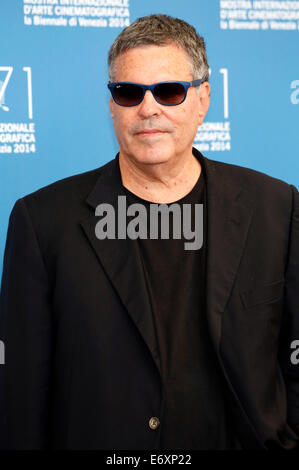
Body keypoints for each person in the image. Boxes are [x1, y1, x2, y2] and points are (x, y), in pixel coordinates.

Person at [0, 13, 299, 450]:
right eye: (129, 93)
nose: (148, 108)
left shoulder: (277, 208)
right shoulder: (43, 220)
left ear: (203, 99)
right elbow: (21, 393)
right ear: (112, 106)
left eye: (169, 91)